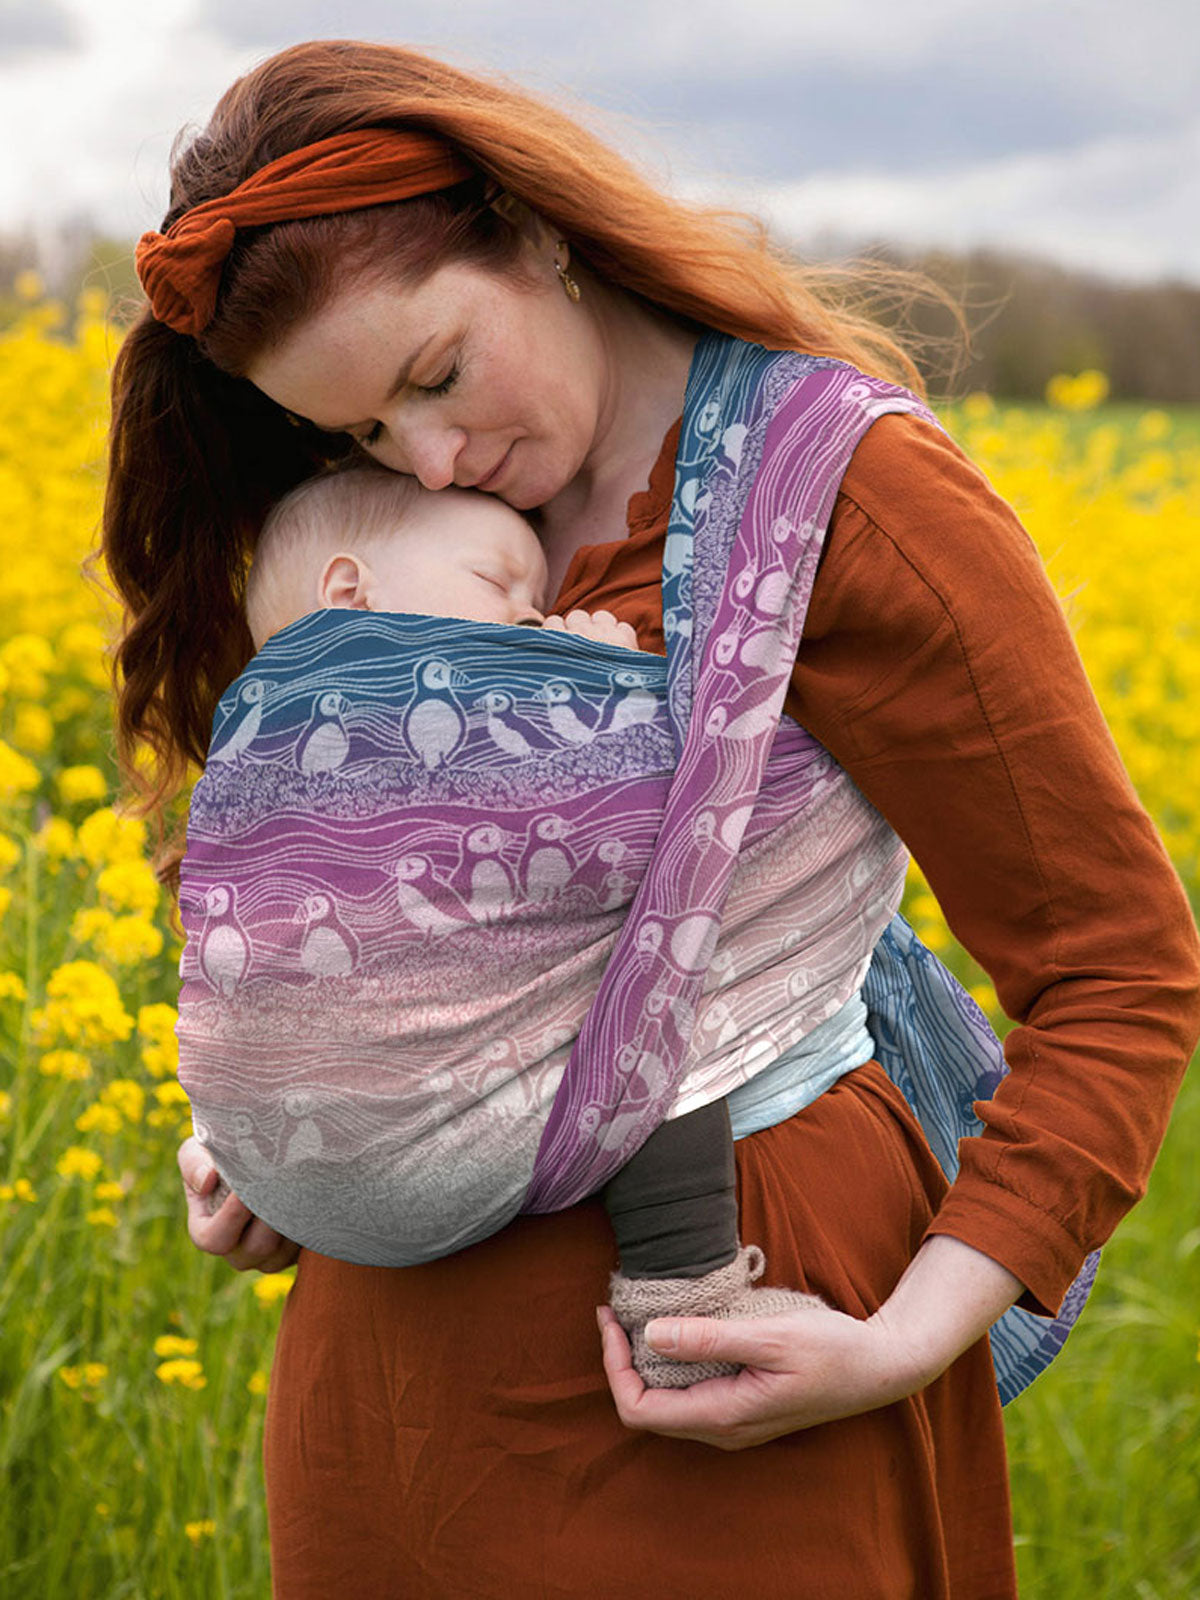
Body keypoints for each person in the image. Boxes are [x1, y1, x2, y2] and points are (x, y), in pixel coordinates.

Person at [102, 38, 1200, 1599]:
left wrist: (903, 1344)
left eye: (436, 376)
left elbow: (1119, 970)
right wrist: (280, 1138)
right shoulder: (369, 542)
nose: (430, 461)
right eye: (358, 438)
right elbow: (338, 908)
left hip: (726, 1364)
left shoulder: (851, 503)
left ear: (535, 228)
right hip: (397, 1379)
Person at [190, 461, 822, 1385]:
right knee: (652, 1008)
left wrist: (234, 1130)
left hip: (287, 1174)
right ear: (349, 596)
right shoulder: (422, 702)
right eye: (498, 585)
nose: (532, 619)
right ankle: (684, 1303)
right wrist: (606, 677)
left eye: (540, 602)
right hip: (421, 1144)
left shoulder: (254, 744)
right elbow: (680, 824)